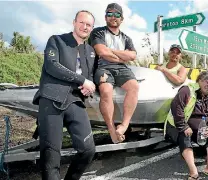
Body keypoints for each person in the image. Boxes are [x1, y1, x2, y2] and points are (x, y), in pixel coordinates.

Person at [32, 10, 96, 180]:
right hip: (51, 98)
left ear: (92, 28)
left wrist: (89, 86)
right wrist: (82, 80)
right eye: (81, 22)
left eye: (88, 24)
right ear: (74, 22)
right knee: (51, 156)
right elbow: (52, 66)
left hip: (75, 101)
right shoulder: (56, 40)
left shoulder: (90, 51)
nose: (84, 26)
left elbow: (89, 78)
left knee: (88, 150)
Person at [88, 3, 138, 144]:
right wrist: (123, 56)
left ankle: (124, 125)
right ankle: (111, 129)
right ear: (105, 17)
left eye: (117, 15)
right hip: (103, 67)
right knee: (106, 90)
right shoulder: (97, 32)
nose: (113, 17)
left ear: (121, 19)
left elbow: (133, 56)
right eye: (110, 14)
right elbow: (101, 52)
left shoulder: (126, 38)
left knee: (134, 86)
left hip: (122, 69)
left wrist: (111, 51)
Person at [164, 70, 208, 180]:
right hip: (178, 126)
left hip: (200, 129)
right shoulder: (187, 90)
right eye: (206, 81)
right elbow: (176, 108)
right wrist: (184, 126)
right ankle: (193, 172)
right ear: (199, 80)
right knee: (185, 135)